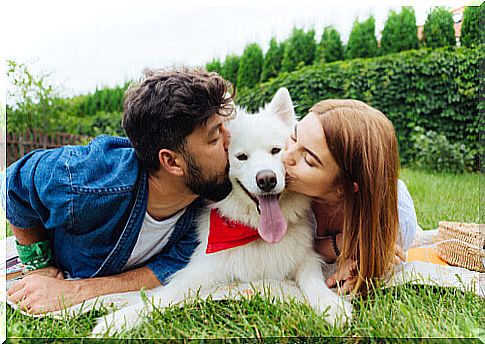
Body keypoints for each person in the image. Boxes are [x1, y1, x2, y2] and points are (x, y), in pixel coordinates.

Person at [2, 67, 235, 314]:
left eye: (226, 127)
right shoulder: (87, 180)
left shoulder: (209, 197)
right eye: (214, 138)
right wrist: (39, 265)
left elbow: (171, 265)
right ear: (172, 162)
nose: (232, 140)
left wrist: (79, 290)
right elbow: (12, 185)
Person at [282, 99, 417, 294]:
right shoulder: (283, 194)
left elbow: (381, 249)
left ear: (344, 187)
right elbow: (284, 249)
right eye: (294, 137)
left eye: (309, 160)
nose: (286, 156)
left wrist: (362, 261)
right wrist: (345, 244)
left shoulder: (399, 213)